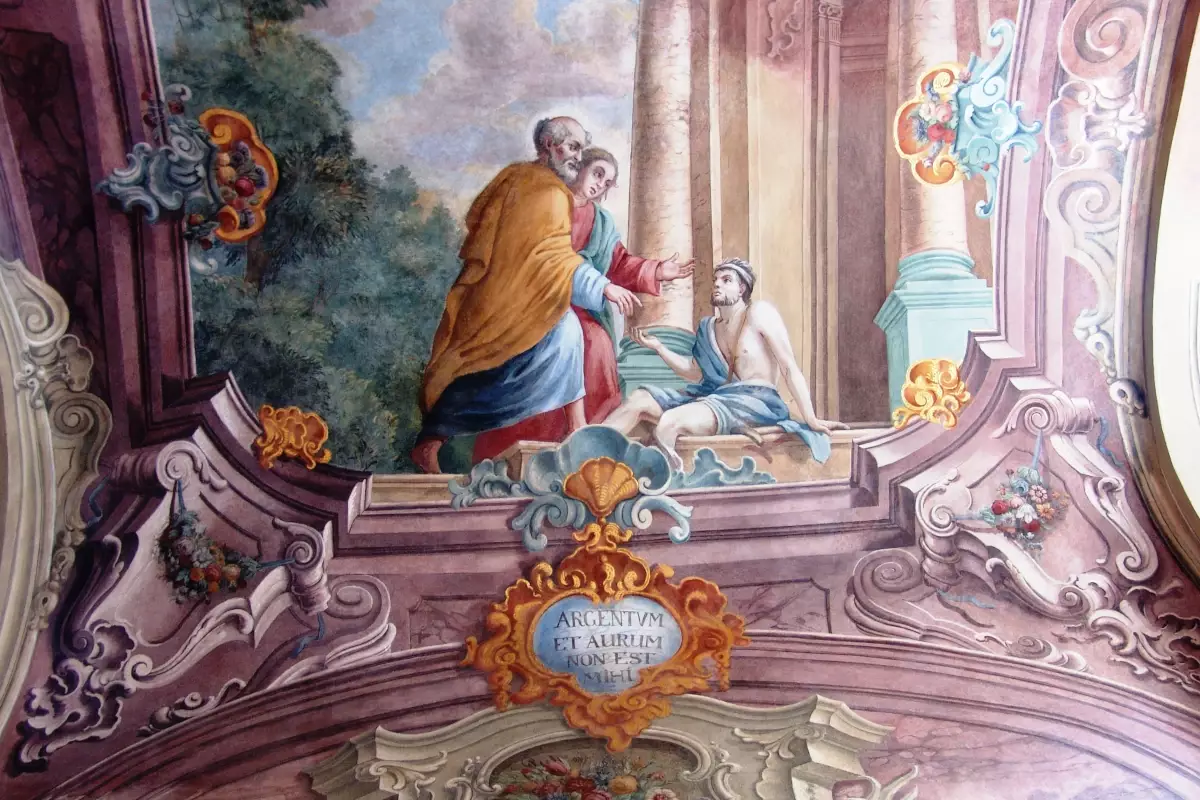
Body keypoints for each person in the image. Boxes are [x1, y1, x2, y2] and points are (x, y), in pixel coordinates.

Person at [411, 118, 641, 474]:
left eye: (581, 149)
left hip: (526, 297)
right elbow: (550, 255)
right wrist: (603, 287)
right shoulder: (541, 189)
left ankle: (576, 426)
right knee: (513, 355)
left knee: (564, 334)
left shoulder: (530, 182)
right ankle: (433, 439)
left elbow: (552, 255)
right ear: (549, 144)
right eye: (573, 147)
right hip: (500, 299)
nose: (577, 157)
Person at [471, 147, 694, 463]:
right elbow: (547, 259)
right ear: (580, 167)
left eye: (608, 182)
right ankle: (539, 440)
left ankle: (588, 438)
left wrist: (657, 270)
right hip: (537, 302)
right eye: (598, 173)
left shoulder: (601, 222)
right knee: (568, 336)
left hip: (583, 307)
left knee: (598, 343)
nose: (600, 184)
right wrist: (599, 287)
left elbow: (619, 263)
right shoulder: (549, 204)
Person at [601, 258, 846, 471]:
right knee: (639, 399)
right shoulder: (708, 328)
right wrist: (659, 347)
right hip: (715, 397)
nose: (717, 284)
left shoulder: (759, 313)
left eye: (726, 280)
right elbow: (694, 372)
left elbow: (789, 367)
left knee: (669, 423)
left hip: (755, 403)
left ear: (742, 288)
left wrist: (811, 418)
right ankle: (588, 451)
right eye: (716, 279)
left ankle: (663, 478)